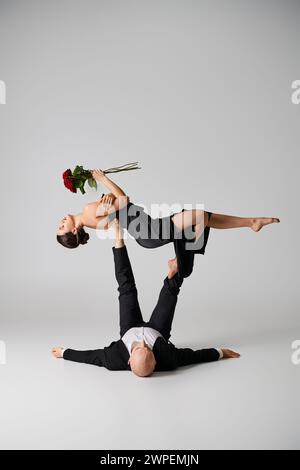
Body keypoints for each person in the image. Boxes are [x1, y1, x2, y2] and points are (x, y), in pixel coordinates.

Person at [52, 222, 240, 377]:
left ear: (128, 360)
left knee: (126, 289)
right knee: (171, 290)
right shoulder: (169, 358)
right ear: (156, 360)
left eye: (137, 349)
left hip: (129, 327)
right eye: (147, 349)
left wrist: (63, 353)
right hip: (157, 330)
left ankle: (119, 239)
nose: (142, 343)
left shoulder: (113, 359)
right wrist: (220, 353)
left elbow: (90, 357)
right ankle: (178, 263)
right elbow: (193, 356)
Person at [57, 169, 280, 277]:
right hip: (150, 231)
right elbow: (125, 200)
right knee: (199, 217)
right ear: (74, 230)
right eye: (62, 227)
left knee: (203, 217)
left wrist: (109, 198)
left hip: (148, 232)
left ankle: (251, 222)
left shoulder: (91, 220)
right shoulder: (87, 211)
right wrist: (103, 179)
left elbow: (117, 207)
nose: (61, 221)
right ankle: (183, 264)